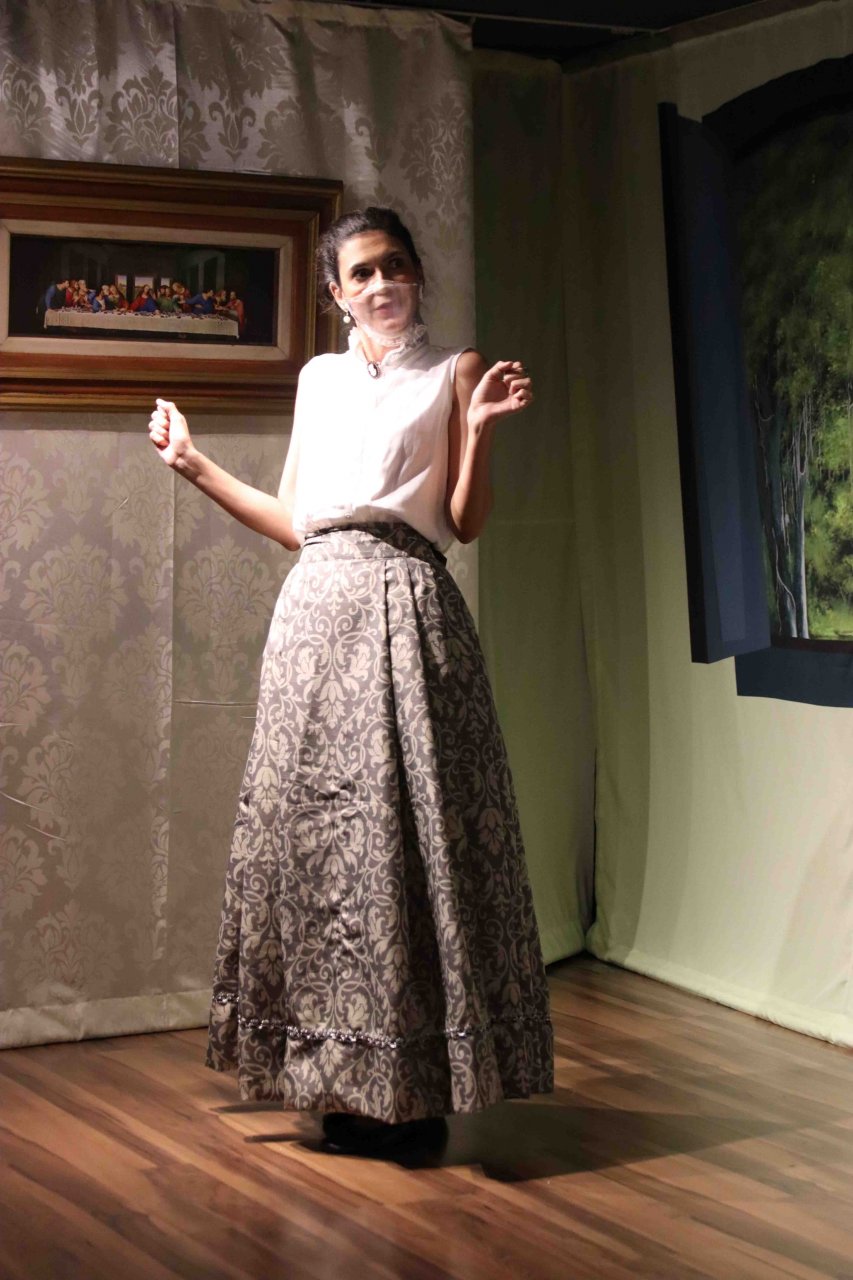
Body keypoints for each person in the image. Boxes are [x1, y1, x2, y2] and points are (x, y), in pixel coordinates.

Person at [147, 206, 553, 1154]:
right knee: (316, 851)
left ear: (417, 275)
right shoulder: (320, 379)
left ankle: (414, 1088)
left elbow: (463, 521)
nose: (382, 285)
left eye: (395, 266)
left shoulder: (454, 370)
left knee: (407, 844)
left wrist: (479, 428)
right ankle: (331, 1080)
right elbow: (297, 523)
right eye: (362, 273)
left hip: (406, 608)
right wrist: (193, 464)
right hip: (312, 619)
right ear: (336, 293)